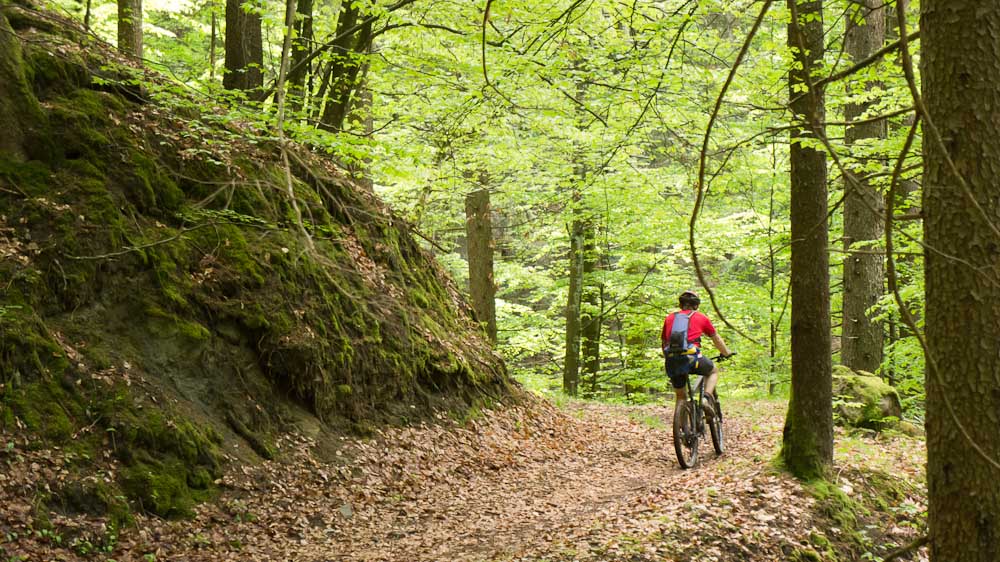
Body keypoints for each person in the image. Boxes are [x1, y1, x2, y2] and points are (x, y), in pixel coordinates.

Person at [661, 290, 732, 412]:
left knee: (681, 397)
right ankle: (706, 399)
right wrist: (726, 353)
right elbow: (716, 339)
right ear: (696, 305)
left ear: (680, 304)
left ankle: (681, 426)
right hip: (693, 358)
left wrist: (670, 358)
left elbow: (664, 343)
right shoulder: (701, 317)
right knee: (713, 371)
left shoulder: (669, 318)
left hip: (672, 359)